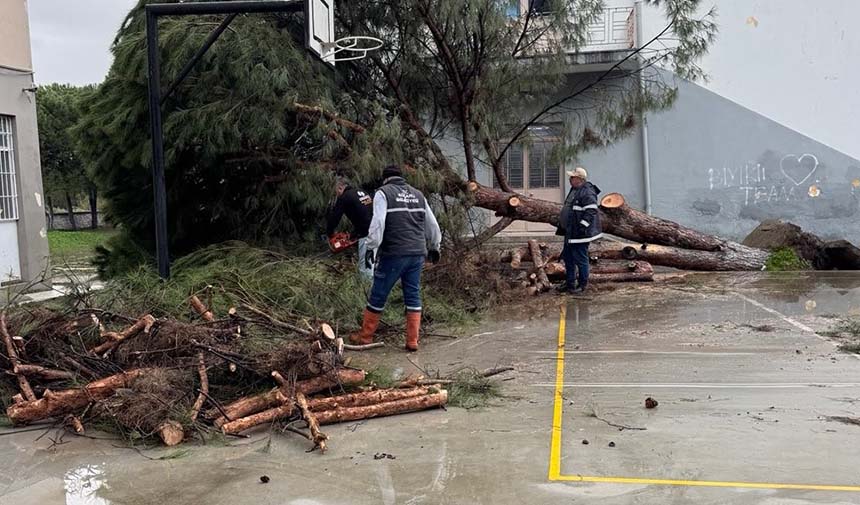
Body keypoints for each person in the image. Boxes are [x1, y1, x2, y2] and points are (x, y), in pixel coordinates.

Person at [349, 165, 442, 352]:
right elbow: (432, 224)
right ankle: (412, 341)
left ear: (385, 179)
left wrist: (371, 248)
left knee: (379, 293)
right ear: (402, 178)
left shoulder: (383, 193)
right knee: (413, 293)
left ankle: (365, 337)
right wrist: (434, 247)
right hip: (417, 253)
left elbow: (378, 223)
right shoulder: (418, 195)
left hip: (394, 252)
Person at [556, 167, 602, 294]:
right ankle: (570, 283)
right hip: (570, 232)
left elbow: (591, 210)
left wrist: (582, 226)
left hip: (580, 234)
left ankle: (582, 286)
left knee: (581, 259)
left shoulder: (587, 192)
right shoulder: (574, 190)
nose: (570, 179)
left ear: (579, 179)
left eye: (572, 177)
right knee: (568, 258)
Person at [326, 177, 374, 278]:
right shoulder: (361, 192)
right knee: (373, 261)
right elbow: (365, 213)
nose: (337, 194)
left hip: (366, 233)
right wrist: (354, 233)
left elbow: (335, 217)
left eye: (336, 191)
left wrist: (329, 233)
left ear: (340, 188)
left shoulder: (345, 197)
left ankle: (366, 289)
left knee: (365, 265)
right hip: (377, 228)